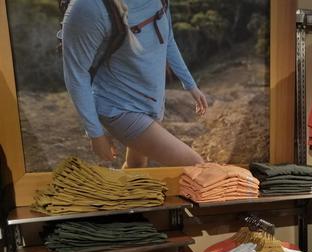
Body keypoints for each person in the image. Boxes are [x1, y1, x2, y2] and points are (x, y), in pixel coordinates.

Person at [62, 0, 207, 168]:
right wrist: (95, 134)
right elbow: (76, 74)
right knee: (196, 165)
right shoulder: (88, 6)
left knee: (136, 164)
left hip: (152, 102)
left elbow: (168, 39)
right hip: (118, 107)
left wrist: (190, 84)